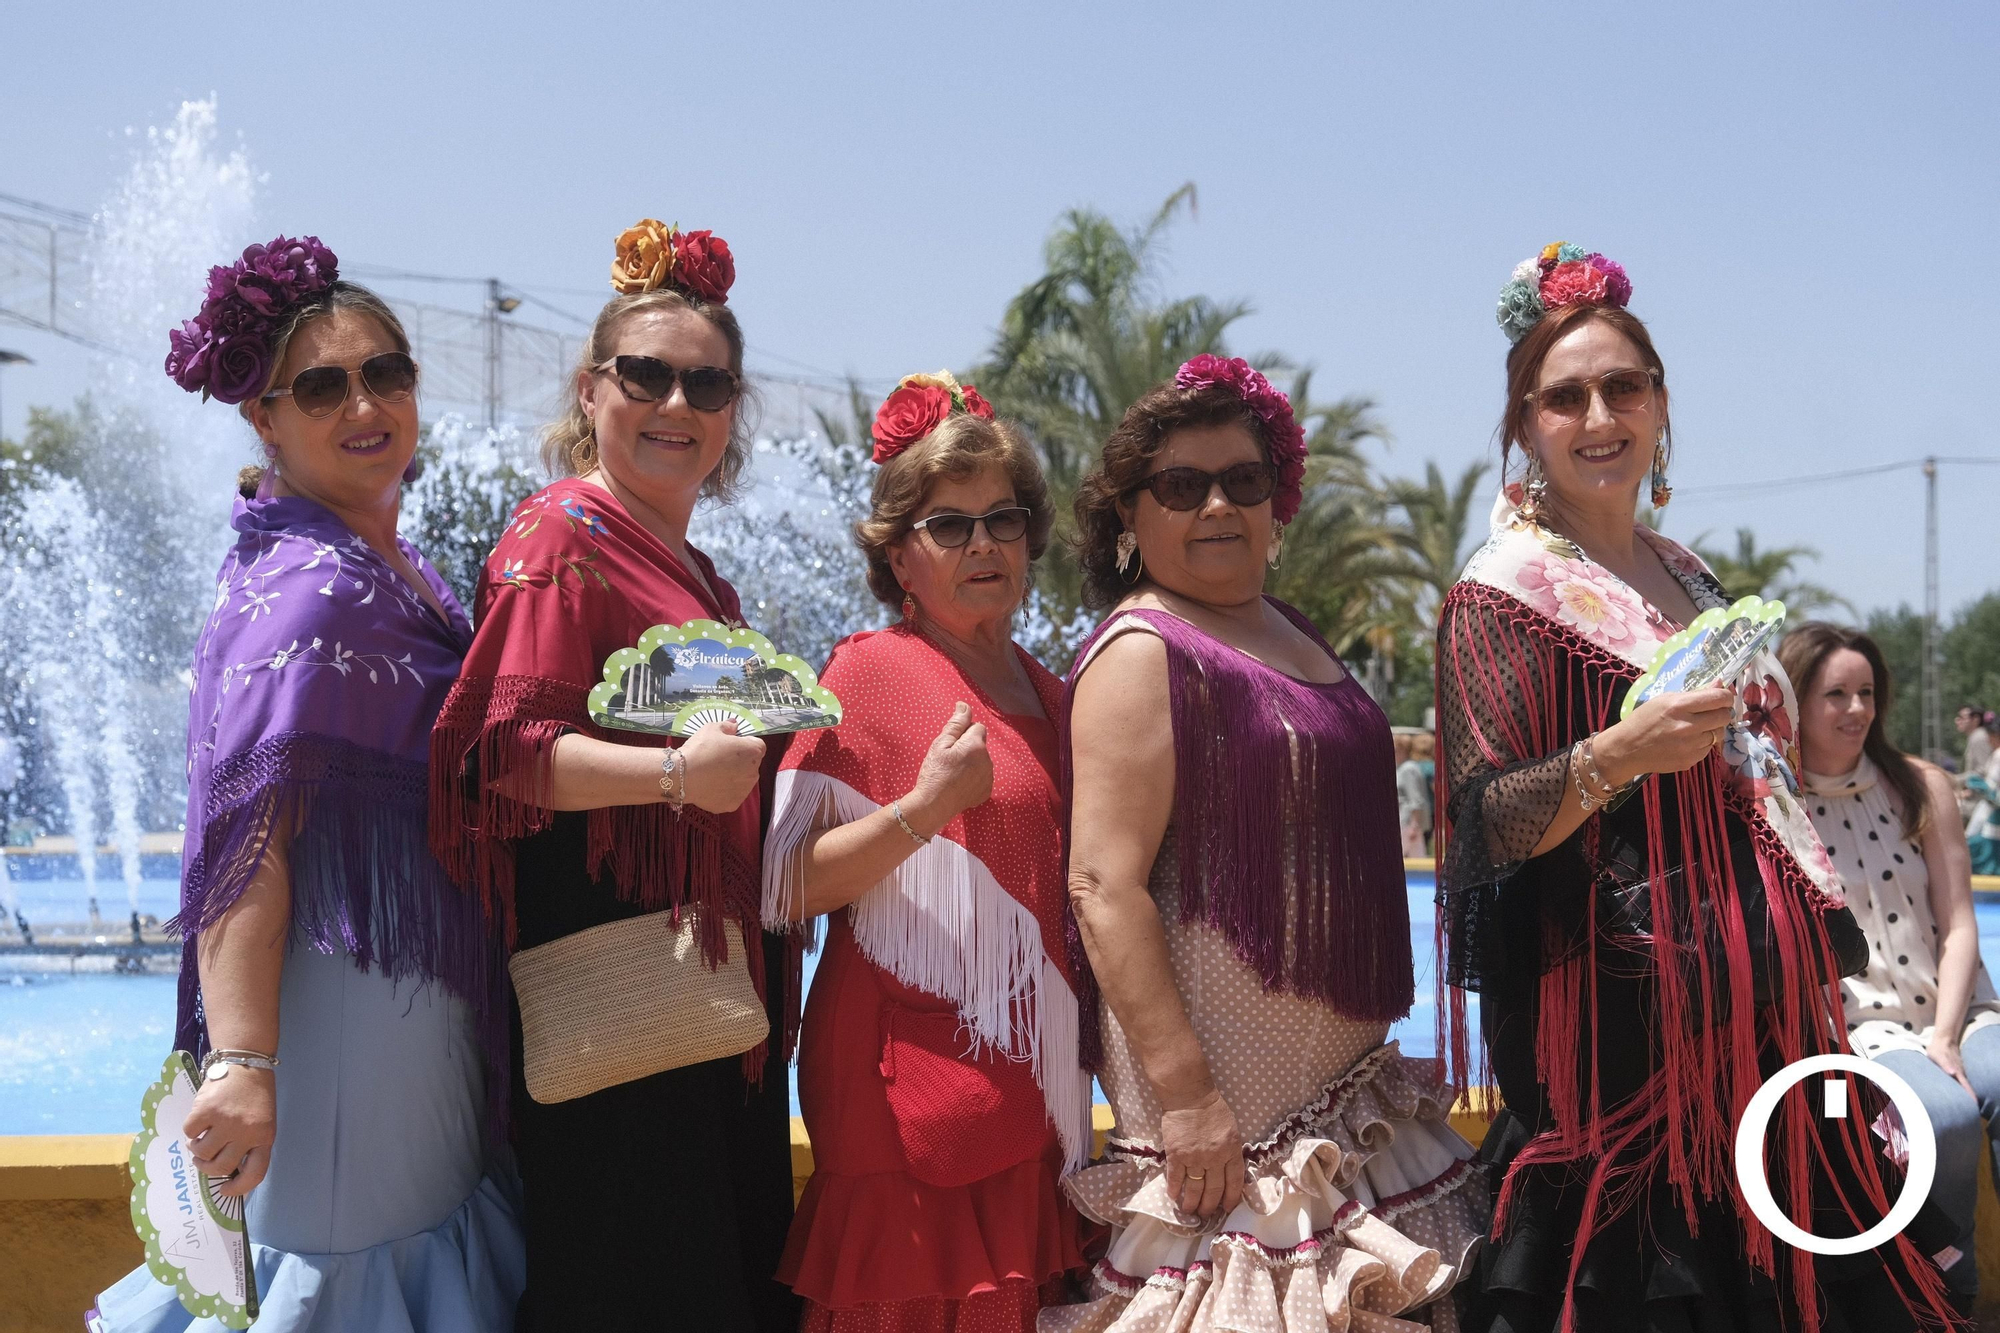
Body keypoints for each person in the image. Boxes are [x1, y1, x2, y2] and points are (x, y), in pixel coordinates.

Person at [1439, 242, 1960, 1330]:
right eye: (1563, 396)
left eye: (1621, 387)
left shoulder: (1686, 574)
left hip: (1757, 1011)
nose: (1597, 417)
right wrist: (1618, 755)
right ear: (1522, 426)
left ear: (1659, 404)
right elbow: (1482, 822)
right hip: (1614, 1035)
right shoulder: (1499, 596)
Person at [93, 237, 523, 1331]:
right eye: (323, 385)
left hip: (404, 1006)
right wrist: (241, 1059)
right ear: (264, 418)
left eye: (388, 372)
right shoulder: (311, 587)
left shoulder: (375, 562)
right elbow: (248, 833)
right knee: (348, 1285)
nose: (365, 403)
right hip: (344, 1022)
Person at [1047, 356, 1484, 1333]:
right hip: (1234, 1140)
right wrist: (1188, 1097)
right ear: (1128, 515)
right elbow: (1101, 884)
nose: (1215, 505)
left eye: (1241, 481)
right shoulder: (1141, 650)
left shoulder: (1279, 628)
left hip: (1347, 1113)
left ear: (1274, 501)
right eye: (1180, 485)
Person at [428, 220, 797, 1332]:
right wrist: (679, 778)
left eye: (705, 383)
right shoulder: (560, 538)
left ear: (731, 413)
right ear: (592, 391)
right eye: (646, 375)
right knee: (643, 1285)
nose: (675, 405)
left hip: (695, 1001)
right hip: (621, 1001)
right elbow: (498, 757)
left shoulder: (694, 567)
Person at [763, 371, 1087, 1332]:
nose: (983, 542)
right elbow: (786, 886)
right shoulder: (864, 670)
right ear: (900, 557)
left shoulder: (1057, 694)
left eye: (1004, 519)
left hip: (1026, 1075)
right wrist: (925, 806)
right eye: (950, 525)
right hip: (899, 1086)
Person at [1783, 622, 2000, 1310]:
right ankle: (1948, 1290)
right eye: (1835, 694)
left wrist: (1944, 1033)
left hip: (1955, 1009)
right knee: (1944, 1114)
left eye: (1867, 692)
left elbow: (1960, 919)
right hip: (1863, 1026)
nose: (1856, 709)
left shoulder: (1920, 783)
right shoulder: (1775, 806)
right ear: (1794, 700)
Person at [1397, 732, 1436, 857]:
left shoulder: (1408, 769)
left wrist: (1414, 825)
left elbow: (1415, 799)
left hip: (1409, 822)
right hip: (1412, 820)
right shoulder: (1407, 767)